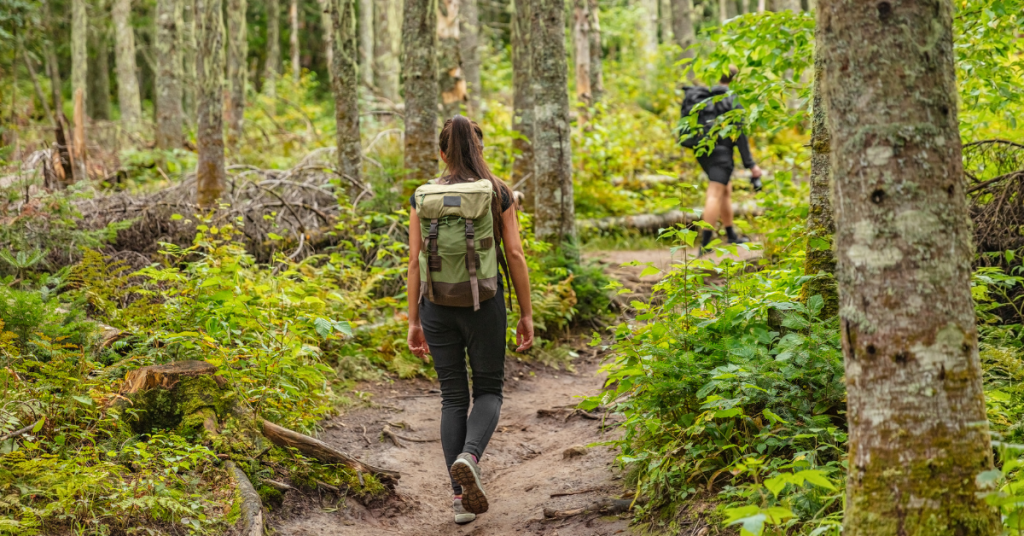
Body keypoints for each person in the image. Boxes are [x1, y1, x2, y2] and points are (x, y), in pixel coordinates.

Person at [406, 115, 535, 525]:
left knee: (452, 398)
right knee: (489, 391)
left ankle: (460, 498)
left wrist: (414, 321)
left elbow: (414, 262)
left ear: (441, 153)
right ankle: (470, 455)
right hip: (485, 305)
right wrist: (527, 314)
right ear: (480, 150)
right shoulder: (498, 192)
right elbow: (514, 255)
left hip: (436, 304)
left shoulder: (422, 196)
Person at [694, 66, 763, 253]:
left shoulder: (707, 96)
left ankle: (731, 235)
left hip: (702, 151)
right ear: (735, 79)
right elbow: (740, 135)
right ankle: (705, 244)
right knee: (714, 193)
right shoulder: (732, 100)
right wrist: (751, 165)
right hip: (721, 154)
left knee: (725, 190)